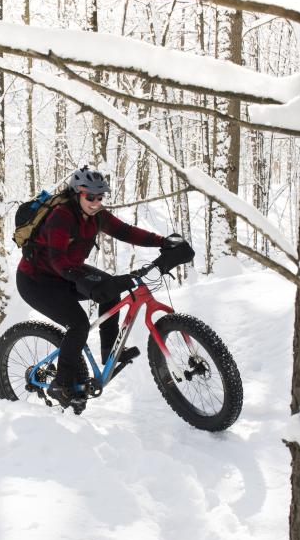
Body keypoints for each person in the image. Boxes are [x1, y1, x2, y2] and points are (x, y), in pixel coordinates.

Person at [16, 167, 178, 410]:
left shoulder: (97, 216)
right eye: (89, 197)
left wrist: (163, 242)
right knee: (78, 324)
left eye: (100, 197)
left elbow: (125, 231)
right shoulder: (61, 216)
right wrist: (82, 281)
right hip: (37, 281)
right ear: (76, 194)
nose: (95, 202)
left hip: (66, 273)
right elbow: (57, 259)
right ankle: (61, 383)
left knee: (111, 290)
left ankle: (109, 350)